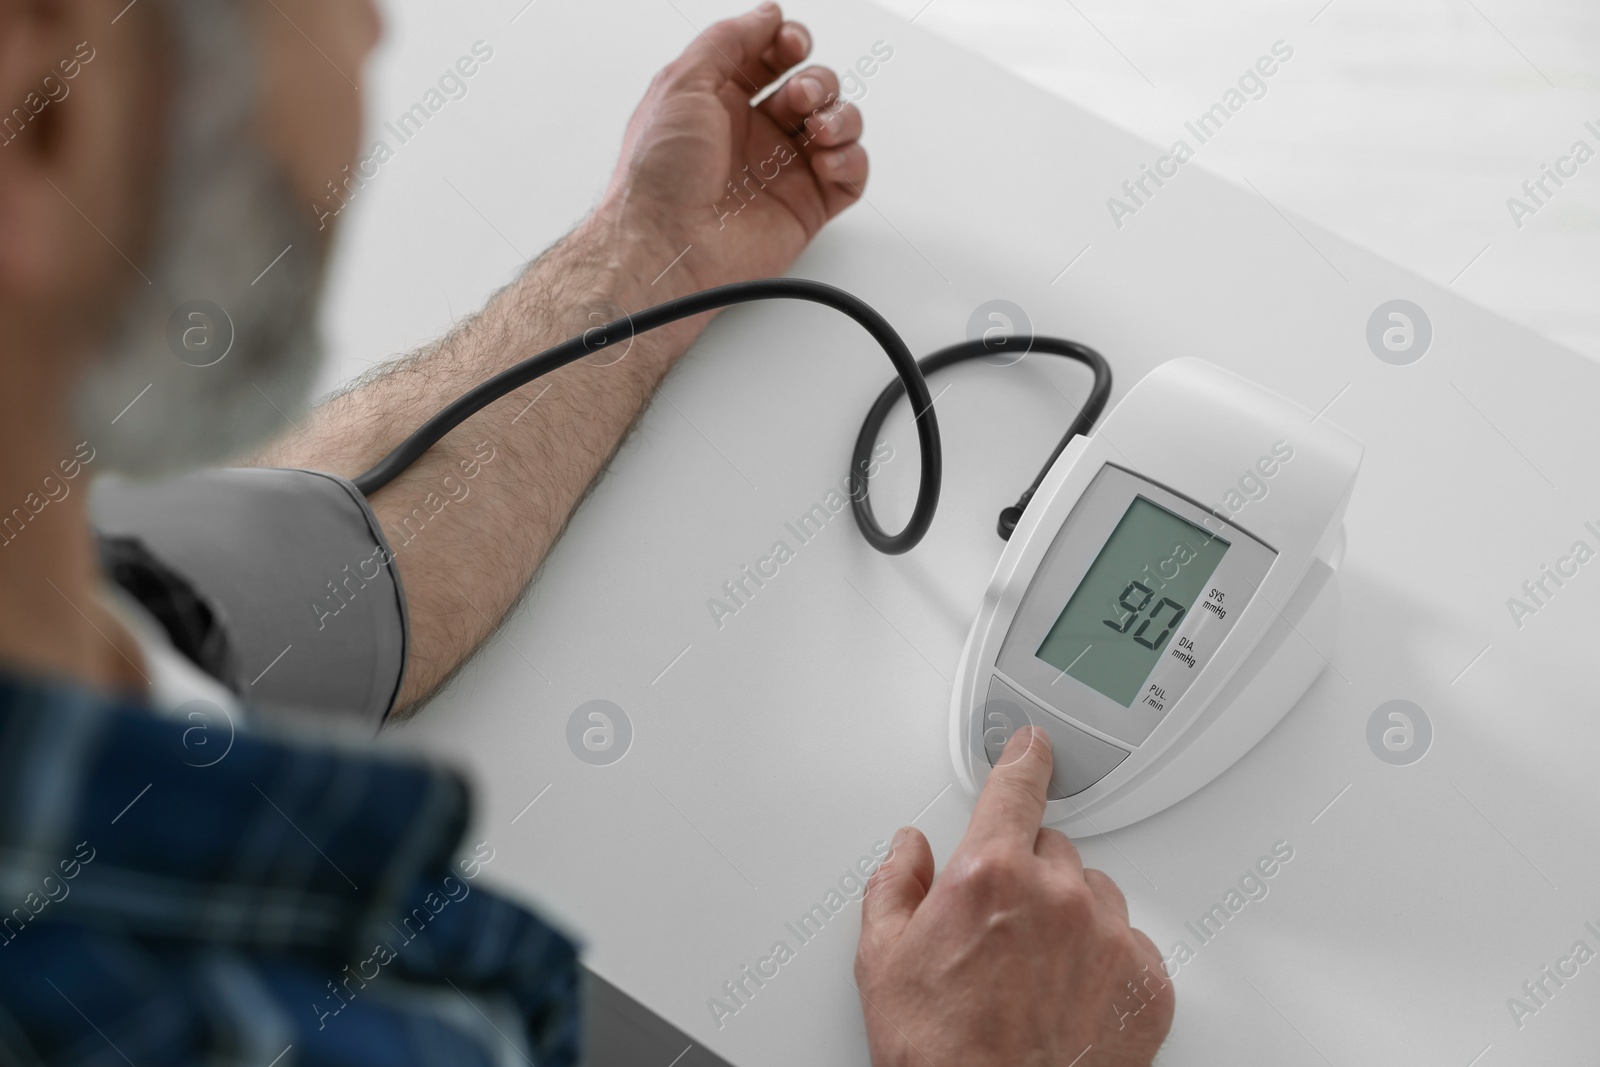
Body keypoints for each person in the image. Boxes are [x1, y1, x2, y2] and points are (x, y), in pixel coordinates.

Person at [0, 0, 1174, 1062]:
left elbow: (323, 569)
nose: (372, 31)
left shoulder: (61, 595)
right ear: (50, 106)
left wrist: (647, 263)